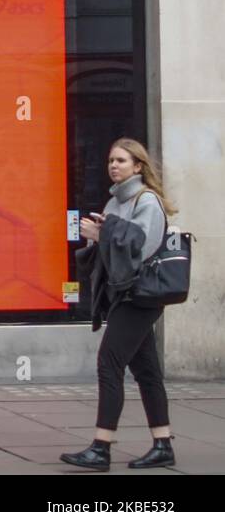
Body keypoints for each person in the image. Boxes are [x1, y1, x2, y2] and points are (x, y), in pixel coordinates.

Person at [62, 138, 175, 471]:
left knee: (108, 363)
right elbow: (112, 249)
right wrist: (97, 238)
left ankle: (101, 447)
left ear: (138, 166)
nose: (114, 166)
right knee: (147, 371)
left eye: (122, 161)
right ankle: (163, 443)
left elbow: (141, 247)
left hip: (140, 297)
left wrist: (102, 236)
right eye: (111, 160)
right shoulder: (114, 203)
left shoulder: (147, 201)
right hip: (123, 295)